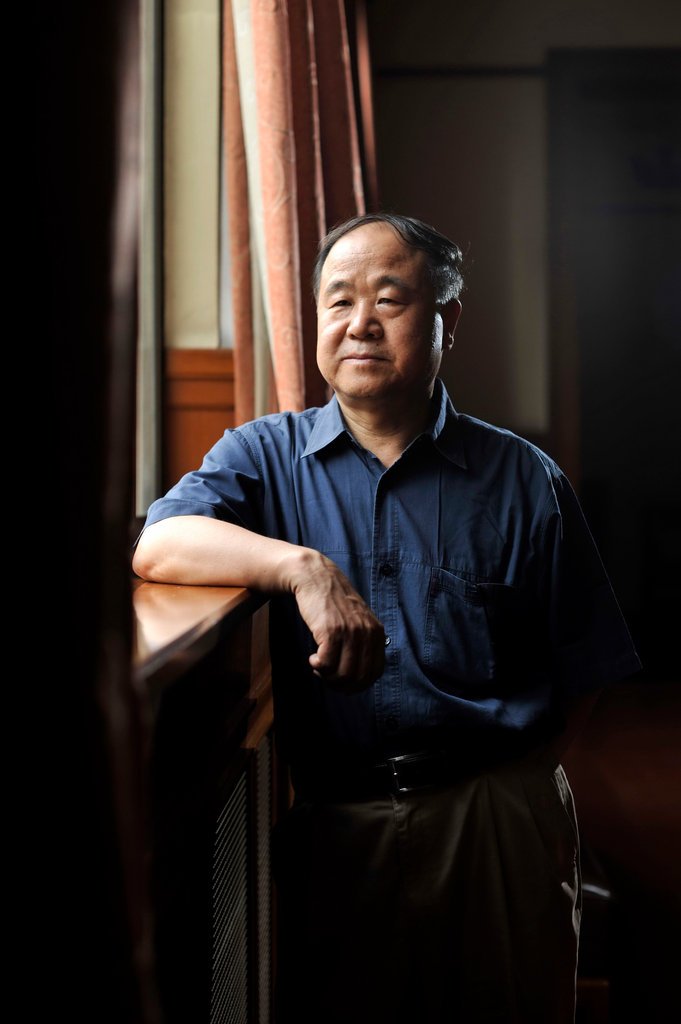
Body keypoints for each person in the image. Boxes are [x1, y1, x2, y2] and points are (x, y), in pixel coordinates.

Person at [133, 212, 642, 1024]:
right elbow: (160, 542)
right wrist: (301, 567)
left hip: (495, 817)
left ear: (448, 321)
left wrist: (503, 794)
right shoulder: (263, 457)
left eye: (389, 299)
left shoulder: (522, 478)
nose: (359, 322)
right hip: (338, 825)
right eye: (337, 302)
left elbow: (582, 671)